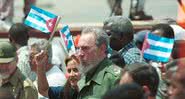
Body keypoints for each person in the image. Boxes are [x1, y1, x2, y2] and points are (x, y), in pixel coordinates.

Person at [76, 27, 121, 99]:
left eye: (85, 48)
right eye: (79, 48)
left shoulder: (114, 78)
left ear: (102, 48)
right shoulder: (84, 74)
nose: (80, 54)